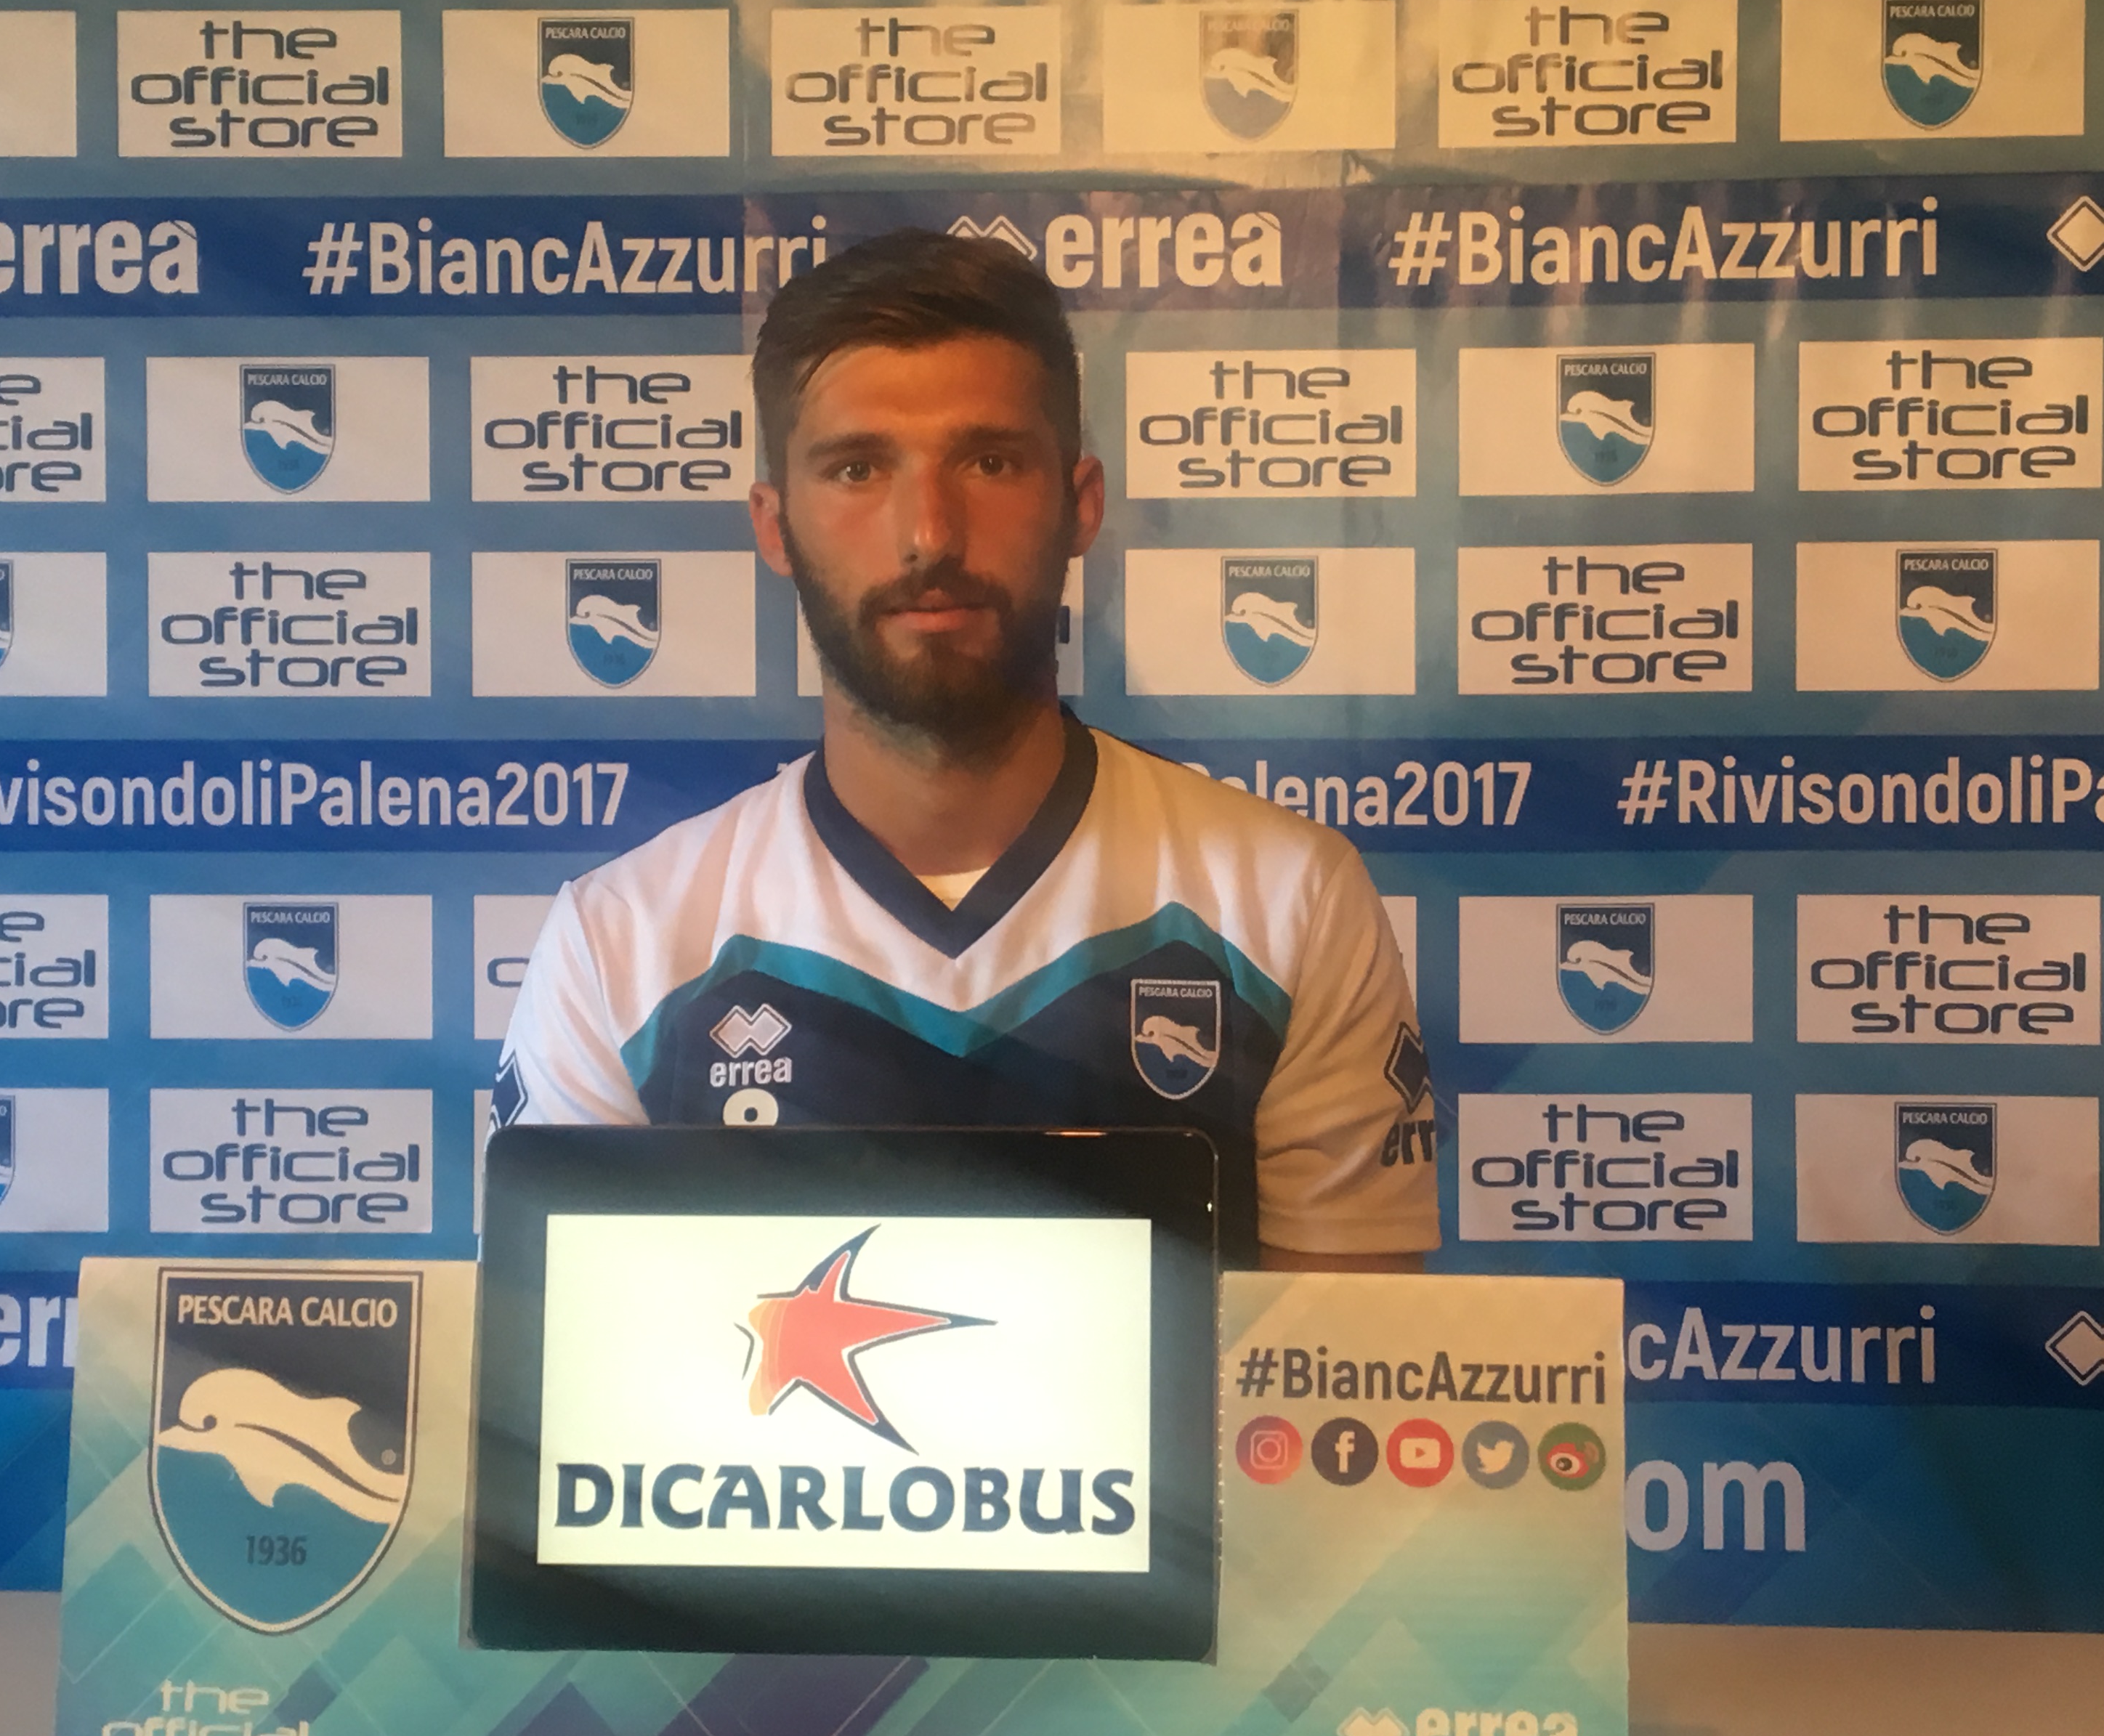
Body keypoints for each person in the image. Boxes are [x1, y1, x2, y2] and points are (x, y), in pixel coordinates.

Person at [492, 227, 1438, 1270]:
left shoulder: (1288, 903)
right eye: (857, 468)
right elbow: (564, 1361)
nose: (929, 534)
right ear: (774, 524)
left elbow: (1341, 1362)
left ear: (1080, 504)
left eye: (989, 462)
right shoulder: (623, 947)